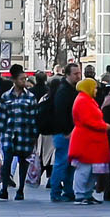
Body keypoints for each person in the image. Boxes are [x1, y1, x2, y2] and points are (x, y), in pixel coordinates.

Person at [39, 63, 79, 202]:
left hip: (67, 132)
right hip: (64, 133)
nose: (78, 76)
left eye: (79, 73)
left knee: (68, 164)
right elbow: (61, 113)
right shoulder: (64, 91)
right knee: (62, 162)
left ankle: (68, 191)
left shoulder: (69, 89)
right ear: (67, 74)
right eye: (75, 74)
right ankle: (56, 192)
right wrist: (66, 131)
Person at [68, 79, 110, 204]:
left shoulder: (86, 99)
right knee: (84, 169)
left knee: (92, 169)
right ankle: (80, 194)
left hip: (92, 141)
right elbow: (88, 120)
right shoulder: (83, 101)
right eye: (95, 88)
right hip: (86, 141)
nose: (96, 90)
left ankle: (87, 194)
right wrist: (104, 126)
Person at [0, 72, 38, 200]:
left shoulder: (30, 97)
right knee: (7, 161)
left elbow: (34, 117)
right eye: (21, 79)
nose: (24, 81)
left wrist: (34, 136)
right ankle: (4, 189)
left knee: (23, 162)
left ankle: (20, 190)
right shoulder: (6, 96)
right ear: (14, 80)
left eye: (25, 78)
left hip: (25, 135)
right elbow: (1, 115)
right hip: (9, 134)